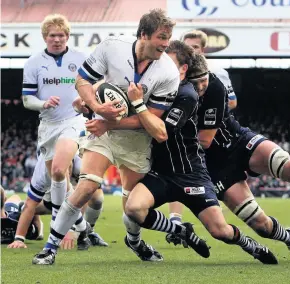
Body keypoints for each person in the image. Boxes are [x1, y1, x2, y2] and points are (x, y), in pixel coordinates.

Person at [32, 9, 180, 265]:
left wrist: (111, 122)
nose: (166, 44)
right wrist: (98, 108)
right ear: (144, 34)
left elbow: (152, 119)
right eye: (162, 37)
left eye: (169, 38)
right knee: (86, 186)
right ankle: (50, 248)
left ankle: (136, 243)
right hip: (104, 131)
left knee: (131, 207)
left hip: (135, 138)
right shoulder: (112, 47)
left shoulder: (168, 72)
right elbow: (82, 81)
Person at [124, 41, 277, 264]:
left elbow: (162, 133)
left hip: (191, 173)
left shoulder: (187, 94)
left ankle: (248, 243)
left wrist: (137, 104)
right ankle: (180, 231)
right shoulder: (155, 86)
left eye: (169, 63)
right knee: (134, 209)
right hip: (163, 174)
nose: (161, 67)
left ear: (183, 69)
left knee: (220, 231)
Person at [166, 52, 290, 259]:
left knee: (289, 167)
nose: (201, 88)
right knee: (261, 225)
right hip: (214, 167)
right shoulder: (172, 92)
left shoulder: (215, 84)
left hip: (238, 141)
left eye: (203, 81)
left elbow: (205, 139)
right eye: (195, 83)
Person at [168, 29, 237, 226]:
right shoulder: (178, 73)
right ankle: (176, 220)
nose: (191, 50)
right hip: (185, 131)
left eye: (195, 47)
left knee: (212, 175)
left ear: (203, 49)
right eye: (188, 46)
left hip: (209, 132)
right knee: (177, 168)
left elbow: (232, 102)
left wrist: (209, 113)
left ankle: (217, 208)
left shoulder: (218, 73)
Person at [7, 152, 107, 249]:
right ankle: (26, 214)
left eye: (68, 167)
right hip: (49, 202)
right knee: (26, 207)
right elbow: (30, 204)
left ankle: (88, 232)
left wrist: (73, 228)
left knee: (96, 197)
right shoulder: (41, 173)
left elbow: (85, 195)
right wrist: (19, 239)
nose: (66, 171)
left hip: (70, 198)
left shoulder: (80, 165)